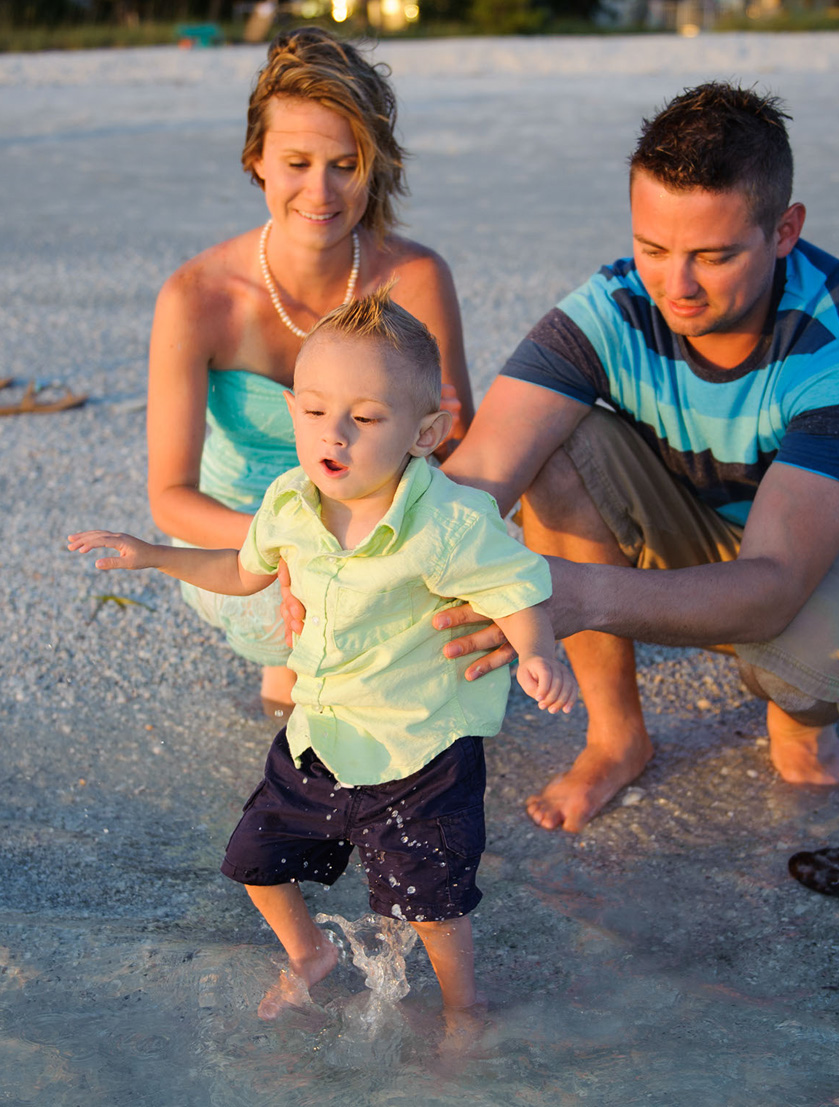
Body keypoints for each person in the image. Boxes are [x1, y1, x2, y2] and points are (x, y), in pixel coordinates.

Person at [426, 81, 839, 833]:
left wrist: (580, 593)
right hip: (712, 521)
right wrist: (346, 551)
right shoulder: (612, 306)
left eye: (712, 256)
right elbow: (479, 474)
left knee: (794, 658)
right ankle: (617, 738)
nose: (674, 285)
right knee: (555, 450)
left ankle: (805, 724)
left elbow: (776, 583)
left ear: (783, 230)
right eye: (653, 248)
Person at [69, 289, 576, 1022]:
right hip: (320, 733)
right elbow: (242, 571)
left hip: (419, 748)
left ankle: (466, 1010)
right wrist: (152, 554)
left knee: (430, 902)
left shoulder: (448, 521)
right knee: (254, 859)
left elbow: (517, 583)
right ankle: (311, 951)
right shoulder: (289, 502)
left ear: (425, 431)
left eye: (364, 419)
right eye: (310, 411)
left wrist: (537, 651)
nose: (331, 435)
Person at [147, 26, 474, 721]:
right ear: (256, 160)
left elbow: (455, 449)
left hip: (374, 517)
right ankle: (288, 692)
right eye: (296, 162)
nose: (320, 191)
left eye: (344, 164)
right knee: (291, 624)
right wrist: (286, 542)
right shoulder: (196, 297)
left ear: (373, 167)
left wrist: (436, 440)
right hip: (242, 525)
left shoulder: (414, 277)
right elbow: (169, 497)